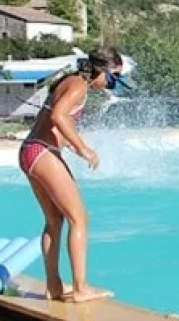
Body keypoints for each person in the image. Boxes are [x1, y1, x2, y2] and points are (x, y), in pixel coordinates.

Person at [19, 47, 122, 302]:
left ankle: (54, 285)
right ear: (102, 71)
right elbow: (58, 116)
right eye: (113, 78)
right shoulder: (78, 84)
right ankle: (80, 288)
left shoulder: (70, 81)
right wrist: (83, 148)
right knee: (80, 219)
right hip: (42, 151)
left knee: (54, 220)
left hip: (31, 151)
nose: (111, 85)